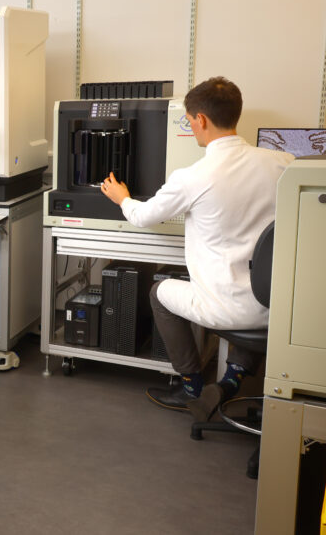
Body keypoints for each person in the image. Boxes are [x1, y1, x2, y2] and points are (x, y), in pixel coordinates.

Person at [100, 77, 294, 414]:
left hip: (224, 309)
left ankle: (191, 387)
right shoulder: (283, 163)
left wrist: (123, 198)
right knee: (256, 301)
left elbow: (143, 217)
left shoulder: (194, 176)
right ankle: (232, 379)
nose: (190, 128)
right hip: (276, 307)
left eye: (189, 122)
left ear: (200, 119)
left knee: (159, 293)